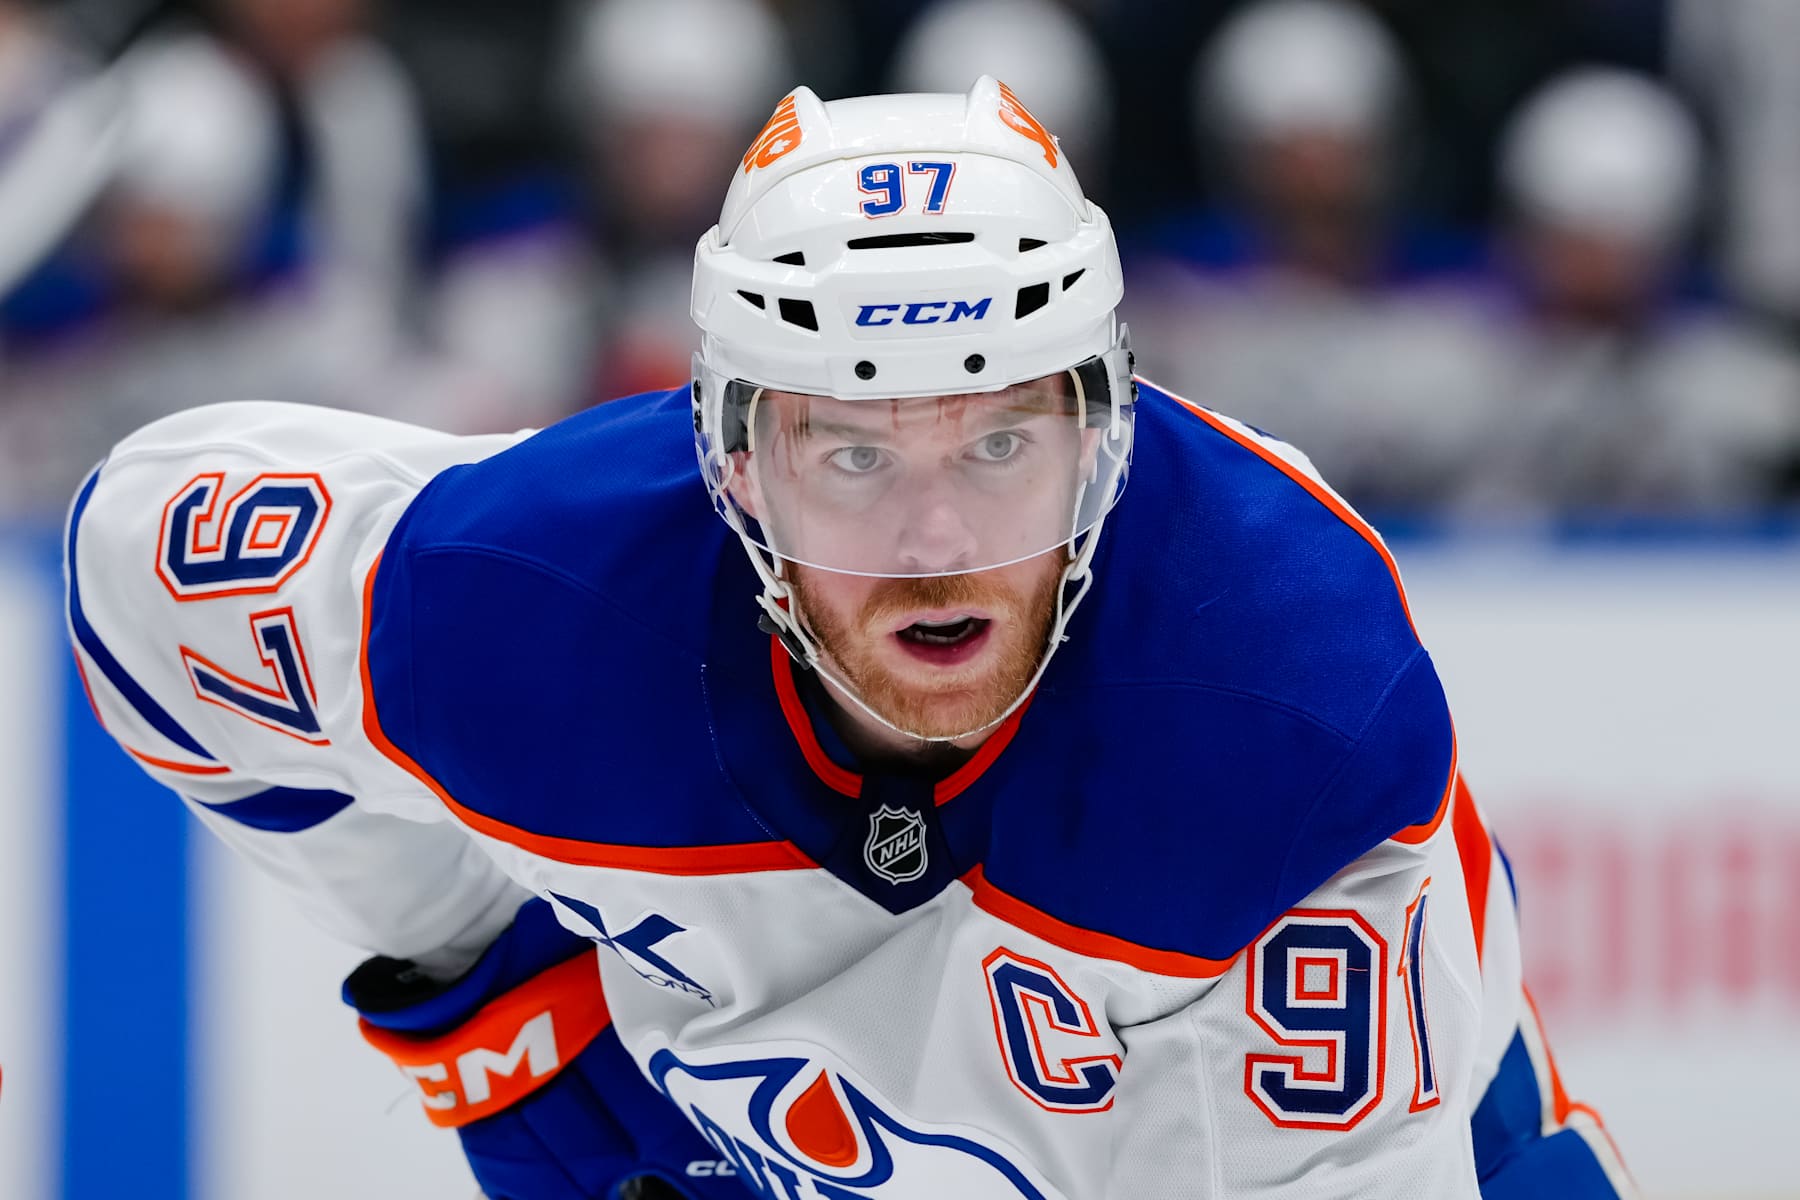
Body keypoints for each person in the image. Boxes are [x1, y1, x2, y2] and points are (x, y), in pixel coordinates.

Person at [66, 79, 1634, 1199]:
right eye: (856, 457)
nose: (937, 546)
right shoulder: (531, 597)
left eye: (1000, 447)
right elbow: (144, 564)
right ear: (732, 461)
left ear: (1105, 444)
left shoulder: (1281, 719)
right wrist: (497, 991)